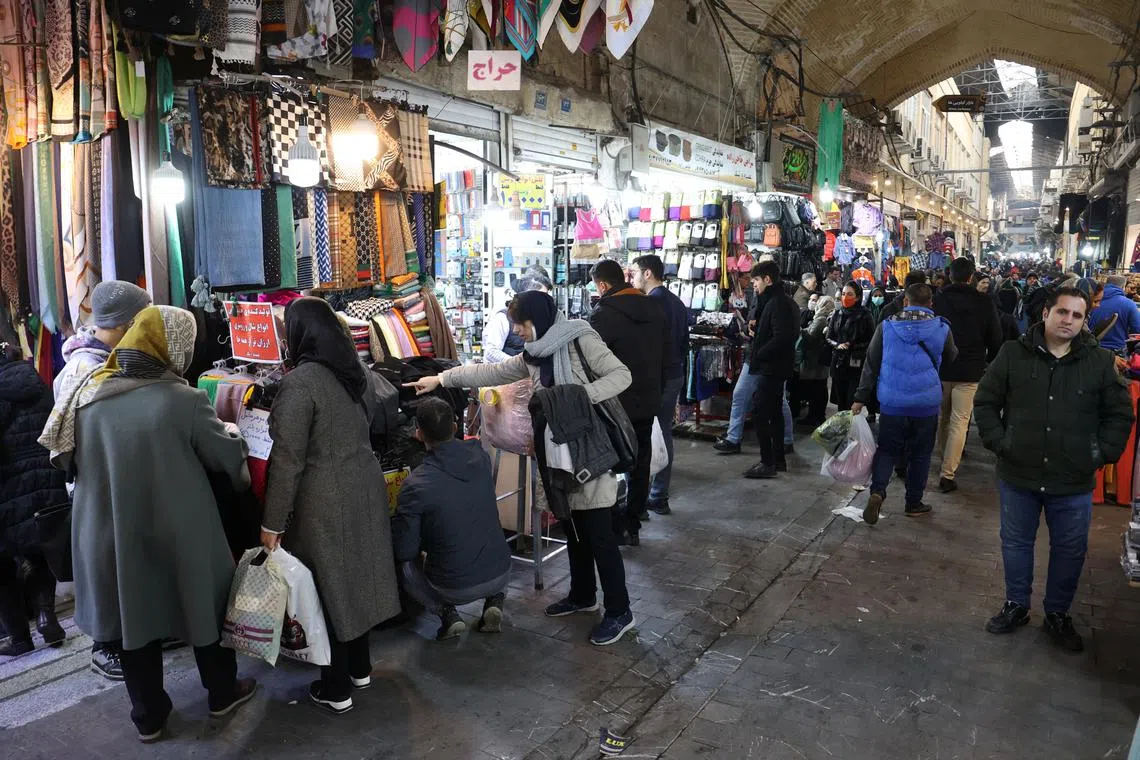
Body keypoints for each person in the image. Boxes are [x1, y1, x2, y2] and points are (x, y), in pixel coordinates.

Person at [39, 306, 256, 742]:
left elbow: (65, 460)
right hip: (179, 527)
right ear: (172, 347)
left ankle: (149, 717)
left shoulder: (88, 395)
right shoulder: (184, 399)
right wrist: (235, 439)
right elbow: (228, 464)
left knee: (131, 620)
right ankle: (221, 692)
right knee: (201, 607)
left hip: (109, 532)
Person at [406, 291, 637, 646]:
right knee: (574, 526)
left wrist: (575, 400)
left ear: (539, 318)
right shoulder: (534, 354)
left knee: (599, 534)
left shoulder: (580, 338)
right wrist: (441, 379)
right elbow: (494, 371)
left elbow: (621, 375)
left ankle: (620, 612)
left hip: (590, 451)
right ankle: (583, 595)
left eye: (521, 323)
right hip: (560, 456)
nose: (517, 330)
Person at [261, 298, 399, 715]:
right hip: (363, 485)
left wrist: (272, 521)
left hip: (324, 495)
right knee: (353, 578)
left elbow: (288, 457)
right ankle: (359, 668)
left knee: (327, 589)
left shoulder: (302, 381)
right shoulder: (354, 371)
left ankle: (336, 688)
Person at [975, 287, 1134, 652]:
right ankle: (1016, 604)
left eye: (1077, 316)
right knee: (1016, 543)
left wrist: (1100, 453)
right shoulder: (1013, 353)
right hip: (1019, 475)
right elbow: (986, 401)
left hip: (1072, 479)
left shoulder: (1097, 362)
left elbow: (1119, 413)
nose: (1068, 321)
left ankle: (1058, 613)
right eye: (1062, 312)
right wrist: (1001, 442)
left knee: (1069, 549)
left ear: (1084, 321)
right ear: (1045, 313)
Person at [45, 280, 150, 680]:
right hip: (96, 483)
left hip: (102, 480)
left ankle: (121, 638)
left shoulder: (96, 361)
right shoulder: (89, 371)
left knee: (112, 563)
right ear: (125, 324)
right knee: (104, 566)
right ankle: (105, 648)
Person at [391, 397, 511, 639]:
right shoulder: (482, 458)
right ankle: (495, 599)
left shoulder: (416, 484)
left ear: (419, 434)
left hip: (454, 588)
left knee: (406, 566)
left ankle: (447, 614)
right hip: (503, 571)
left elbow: (405, 550)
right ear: (455, 427)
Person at [852, 284, 957, 523]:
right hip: (926, 404)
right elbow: (952, 355)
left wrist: (860, 397)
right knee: (920, 455)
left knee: (887, 450)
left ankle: (878, 491)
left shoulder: (886, 327)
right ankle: (913, 503)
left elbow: (871, 363)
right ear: (931, 303)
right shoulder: (942, 328)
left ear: (905, 302)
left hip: (892, 403)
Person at [589, 259, 667, 544]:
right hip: (648, 396)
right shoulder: (653, 307)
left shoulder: (604, 314)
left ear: (603, 285)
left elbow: (589, 359)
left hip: (615, 402)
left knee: (610, 462)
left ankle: (613, 525)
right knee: (640, 461)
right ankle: (632, 522)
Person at [0, 338, 69, 657]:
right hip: (44, 475)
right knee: (40, 549)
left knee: (3, 566)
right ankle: (46, 616)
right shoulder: (35, 382)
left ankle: (19, 638)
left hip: (7, 485)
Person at [932, 257, 1003, 494]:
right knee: (960, 422)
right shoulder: (984, 302)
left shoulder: (938, 299)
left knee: (943, 417)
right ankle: (948, 472)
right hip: (971, 370)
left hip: (941, 368)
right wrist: (987, 361)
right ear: (971, 277)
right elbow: (995, 337)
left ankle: (945, 458)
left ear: (950, 275)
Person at [632, 254, 688, 516]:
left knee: (647, 436)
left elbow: (649, 348)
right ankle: (658, 495)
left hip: (659, 377)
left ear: (647, 274)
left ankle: (643, 499)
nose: (631, 278)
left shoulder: (650, 305)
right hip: (674, 374)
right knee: (663, 433)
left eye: (634, 273)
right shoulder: (676, 302)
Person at [738, 261, 800, 479]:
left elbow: (782, 338)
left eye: (755, 281)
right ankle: (778, 460)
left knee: (761, 413)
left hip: (772, 367)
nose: (753, 285)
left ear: (767, 279)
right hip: (775, 366)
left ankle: (768, 462)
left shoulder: (778, 303)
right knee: (773, 413)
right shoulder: (776, 301)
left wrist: (759, 353)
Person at [482, 267, 552, 363]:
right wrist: (517, 365)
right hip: (509, 374)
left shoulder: (541, 317)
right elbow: (491, 352)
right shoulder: (503, 318)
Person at [826, 282, 875, 412]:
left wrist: (852, 345)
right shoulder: (837, 314)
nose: (845, 297)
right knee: (840, 401)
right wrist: (838, 345)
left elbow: (871, 340)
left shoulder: (865, 314)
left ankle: (853, 430)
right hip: (839, 363)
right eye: (843, 294)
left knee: (851, 401)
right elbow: (829, 337)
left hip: (856, 364)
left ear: (857, 297)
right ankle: (842, 429)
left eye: (849, 294)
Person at [795, 295, 835, 429]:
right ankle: (817, 415)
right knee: (820, 387)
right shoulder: (826, 318)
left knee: (815, 389)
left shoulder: (821, 319)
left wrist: (801, 330)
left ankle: (814, 416)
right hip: (819, 359)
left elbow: (810, 336)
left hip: (814, 359)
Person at [1089, 274, 1140, 353]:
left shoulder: (1093, 300)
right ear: (1123, 287)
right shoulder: (1129, 304)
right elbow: (1137, 331)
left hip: (1092, 348)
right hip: (1117, 351)